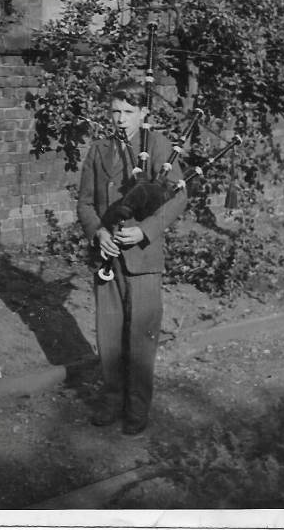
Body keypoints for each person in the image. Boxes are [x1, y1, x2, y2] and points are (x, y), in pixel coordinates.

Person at [77, 80, 187, 435]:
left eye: (128, 112)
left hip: (142, 258)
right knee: (108, 336)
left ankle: (137, 409)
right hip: (108, 258)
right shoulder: (99, 150)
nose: (120, 119)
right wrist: (98, 233)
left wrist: (146, 231)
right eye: (115, 111)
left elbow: (178, 197)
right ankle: (111, 401)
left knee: (140, 337)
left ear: (143, 113)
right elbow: (85, 202)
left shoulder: (158, 147)